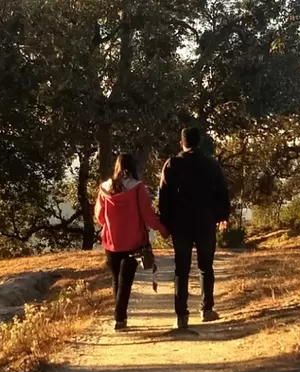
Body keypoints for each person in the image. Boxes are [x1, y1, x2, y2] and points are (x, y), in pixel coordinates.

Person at [158, 126, 231, 333]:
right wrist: (222, 216)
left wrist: (165, 221)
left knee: (181, 269)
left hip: (180, 224)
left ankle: (181, 316)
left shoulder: (172, 164)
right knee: (205, 266)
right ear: (199, 142)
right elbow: (222, 192)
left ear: (182, 142)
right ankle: (206, 309)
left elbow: (164, 196)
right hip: (205, 222)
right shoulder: (211, 165)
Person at [94, 153, 169, 331]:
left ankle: (119, 317)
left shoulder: (104, 187)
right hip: (133, 241)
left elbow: (99, 216)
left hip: (110, 240)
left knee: (116, 279)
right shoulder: (138, 188)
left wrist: (110, 224)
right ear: (133, 167)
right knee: (125, 280)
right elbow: (148, 215)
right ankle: (119, 318)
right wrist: (163, 229)